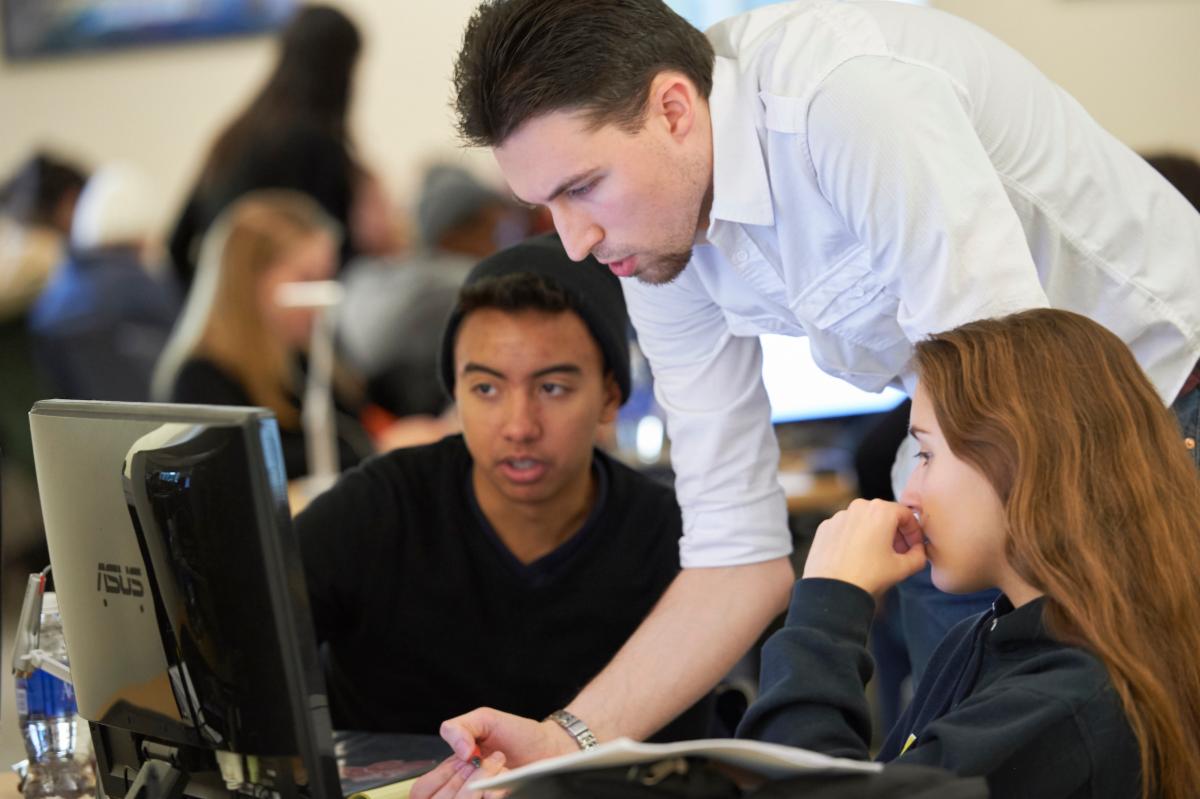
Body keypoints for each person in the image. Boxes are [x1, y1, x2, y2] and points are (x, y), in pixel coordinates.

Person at [439, 0, 1200, 757]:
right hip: (1001, 457)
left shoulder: (846, 99)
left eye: (582, 187)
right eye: (546, 208)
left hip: (1164, 401)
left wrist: (837, 603)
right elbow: (734, 548)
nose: (574, 243)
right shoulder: (650, 235)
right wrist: (567, 738)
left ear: (674, 109)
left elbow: (1002, 405)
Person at [736, 309, 1200, 799]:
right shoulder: (987, 635)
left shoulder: (1067, 703)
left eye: (926, 455)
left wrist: (827, 612)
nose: (908, 494)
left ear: (1021, 461)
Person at [293, 234, 707, 741]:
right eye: (486, 389)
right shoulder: (379, 510)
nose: (519, 426)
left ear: (609, 396)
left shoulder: (667, 538)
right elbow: (243, 650)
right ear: (456, 394)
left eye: (552, 388)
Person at [167, 4, 395, 290]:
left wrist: (213, 302)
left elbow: (176, 244)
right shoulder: (319, 146)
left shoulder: (233, 136)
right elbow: (337, 262)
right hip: (277, 317)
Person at [154, 189, 372, 479]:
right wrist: (374, 448)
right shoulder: (202, 378)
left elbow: (354, 420)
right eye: (306, 278)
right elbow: (249, 468)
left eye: (327, 276)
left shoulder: (305, 355)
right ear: (251, 281)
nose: (320, 294)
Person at [29, 163, 180, 401]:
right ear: (143, 235)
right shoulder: (142, 287)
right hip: (164, 422)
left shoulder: (50, 304)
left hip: (89, 428)